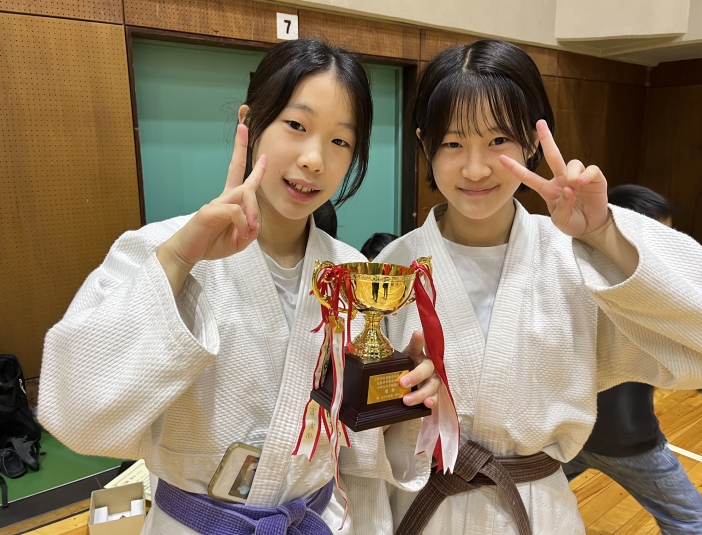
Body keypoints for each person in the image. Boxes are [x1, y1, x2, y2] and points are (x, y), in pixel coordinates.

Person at [38, 39, 440, 535]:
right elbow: (75, 411)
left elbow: (353, 451)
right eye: (296, 126)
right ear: (250, 122)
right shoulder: (160, 248)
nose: (314, 159)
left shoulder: (352, 273)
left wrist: (401, 399)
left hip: (315, 520)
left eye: (340, 141)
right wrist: (179, 260)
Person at [374, 39, 702, 534]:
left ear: (531, 141)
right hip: (421, 510)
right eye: (453, 143)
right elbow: (358, 431)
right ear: (425, 144)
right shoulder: (391, 269)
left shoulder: (572, 257)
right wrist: (394, 393)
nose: (476, 168)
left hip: (537, 512)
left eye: (498, 140)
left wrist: (603, 234)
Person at [562, 184, 702, 534]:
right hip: (626, 441)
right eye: (658, 241)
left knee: (522, 502)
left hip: (568, 434)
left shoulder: (571, 285)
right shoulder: (647, 303)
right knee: (689, 521)